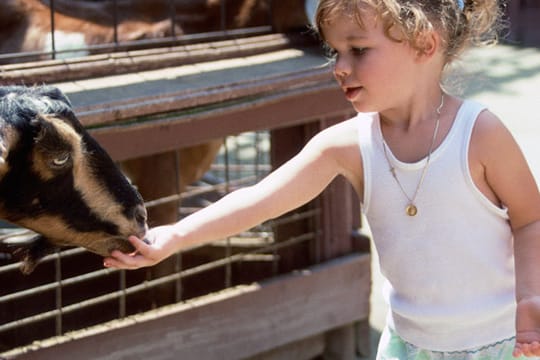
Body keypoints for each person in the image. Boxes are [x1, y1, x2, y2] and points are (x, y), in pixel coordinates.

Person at [104, 0, 540, 358]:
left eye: (359, 50)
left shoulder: (479, 134)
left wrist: (530, 299)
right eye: (335, 51)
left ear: (424, 44)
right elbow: (260, 200)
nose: (339, 66)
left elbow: (530, 220)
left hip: (500, 343)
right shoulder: (347, 144)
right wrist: (175, 236)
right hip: (409, 347)